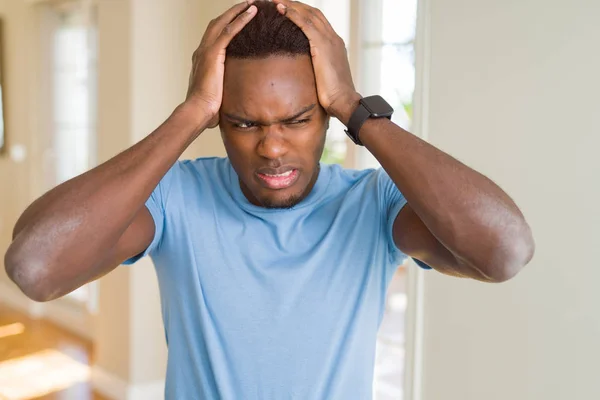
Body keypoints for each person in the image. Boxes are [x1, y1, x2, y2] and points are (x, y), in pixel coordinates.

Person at [4, 0, 535, 398]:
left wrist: (357, 108)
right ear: (219, 119)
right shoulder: (176, 197)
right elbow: (35, 266)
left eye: (299, 119)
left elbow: (504, 251)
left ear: (327, 113)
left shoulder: (372, 204)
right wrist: (189, 114)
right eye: (243, 122)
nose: (272, 147)